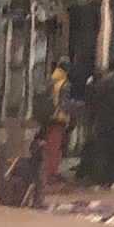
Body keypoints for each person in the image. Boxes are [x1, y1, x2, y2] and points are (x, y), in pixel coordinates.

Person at [42, 56, 71, 184]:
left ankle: (46, 172)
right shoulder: (64, 82)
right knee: (56, 147)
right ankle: (51, 174)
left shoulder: (51, 79)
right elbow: (64, 103)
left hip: (49, 116)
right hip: (59, 117)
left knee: (49, 146)